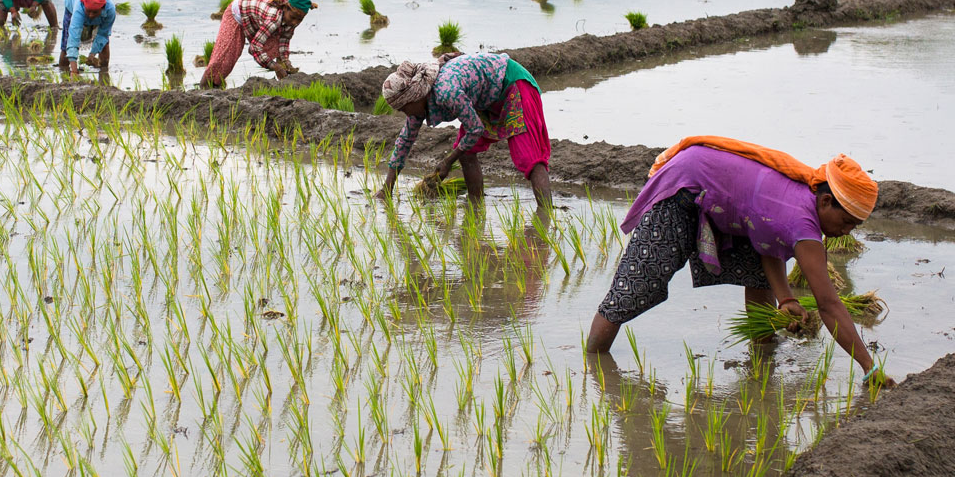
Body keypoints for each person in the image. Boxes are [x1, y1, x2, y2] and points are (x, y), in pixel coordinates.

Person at [583, 136, 886, 385]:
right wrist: (869, 367)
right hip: (684, 189)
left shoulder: (800, 202)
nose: (845, 232)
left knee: (758, 276)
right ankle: (594, 368)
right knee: (637, 286)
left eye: (853, 227)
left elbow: (768, 241)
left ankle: (763, 361)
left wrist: (785, 299)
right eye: (846, 222)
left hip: (729, 203)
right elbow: (829, 304)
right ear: (825, 201)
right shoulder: (803, 224)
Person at [376, 53, 554, 206]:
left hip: (514, 85)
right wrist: (387, 189)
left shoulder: (447, 92)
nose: (404, 113)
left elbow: (475, 129)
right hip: (488, 96)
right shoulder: (419, 104)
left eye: (403, 108)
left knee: (528, 156)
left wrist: (448, 162)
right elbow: (404, 142)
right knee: (467, 152)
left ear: (414, 97)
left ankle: (545, 217)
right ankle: (475, 207)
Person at [200, 0, 312, 86]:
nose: (294, 22)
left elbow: (284, 41)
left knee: (277, 48)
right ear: (286, 8)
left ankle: (284, 82)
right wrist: (274, 66)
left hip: (254, 19)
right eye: (293, 17)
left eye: (299, 19)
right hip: (237, 13)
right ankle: (205, 85)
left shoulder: (291, 19)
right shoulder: (273, 19)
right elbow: (255, 47)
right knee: (226, 56)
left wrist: (286, 62)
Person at [60, 0, 116, 72]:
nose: (90, 15)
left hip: (99, 16)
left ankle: (104, 72)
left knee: (105, 44)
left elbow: (103, 34)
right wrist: (74, 72)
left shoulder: (110, 10)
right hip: (71, 6)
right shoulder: (78, 9)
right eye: (89, 11)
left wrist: (92, 55)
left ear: (102, 8)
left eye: (94, 12)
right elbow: (73, 39)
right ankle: (63, 70)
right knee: (66, 45)